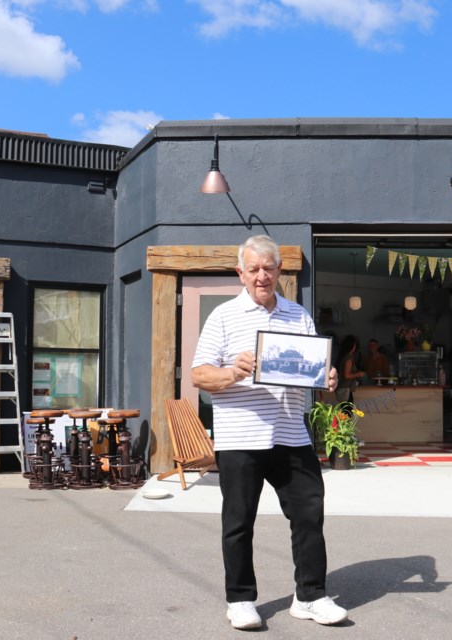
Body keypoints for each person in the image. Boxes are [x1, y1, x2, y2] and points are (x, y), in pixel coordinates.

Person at [191, 234, 349, 631]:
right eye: (254, 269)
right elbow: (198, 374)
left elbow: (312, 366)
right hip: (240, 437)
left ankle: (310, 596)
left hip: (290, 433)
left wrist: (327, 376)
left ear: (280, 271)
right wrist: (232, 372)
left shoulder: (298, 315)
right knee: (240, 521)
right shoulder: (223, 316)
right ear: (240, 273)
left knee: (309, 516)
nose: (262, 276)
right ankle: (241, 599)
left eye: (269, 268)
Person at [334, 334, 365, 400]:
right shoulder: (348, 358)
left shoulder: (342, 356)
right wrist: (359, 374)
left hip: (342, 389)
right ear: (353, 345)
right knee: (347, 409)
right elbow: (347, 375)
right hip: (345, 390)